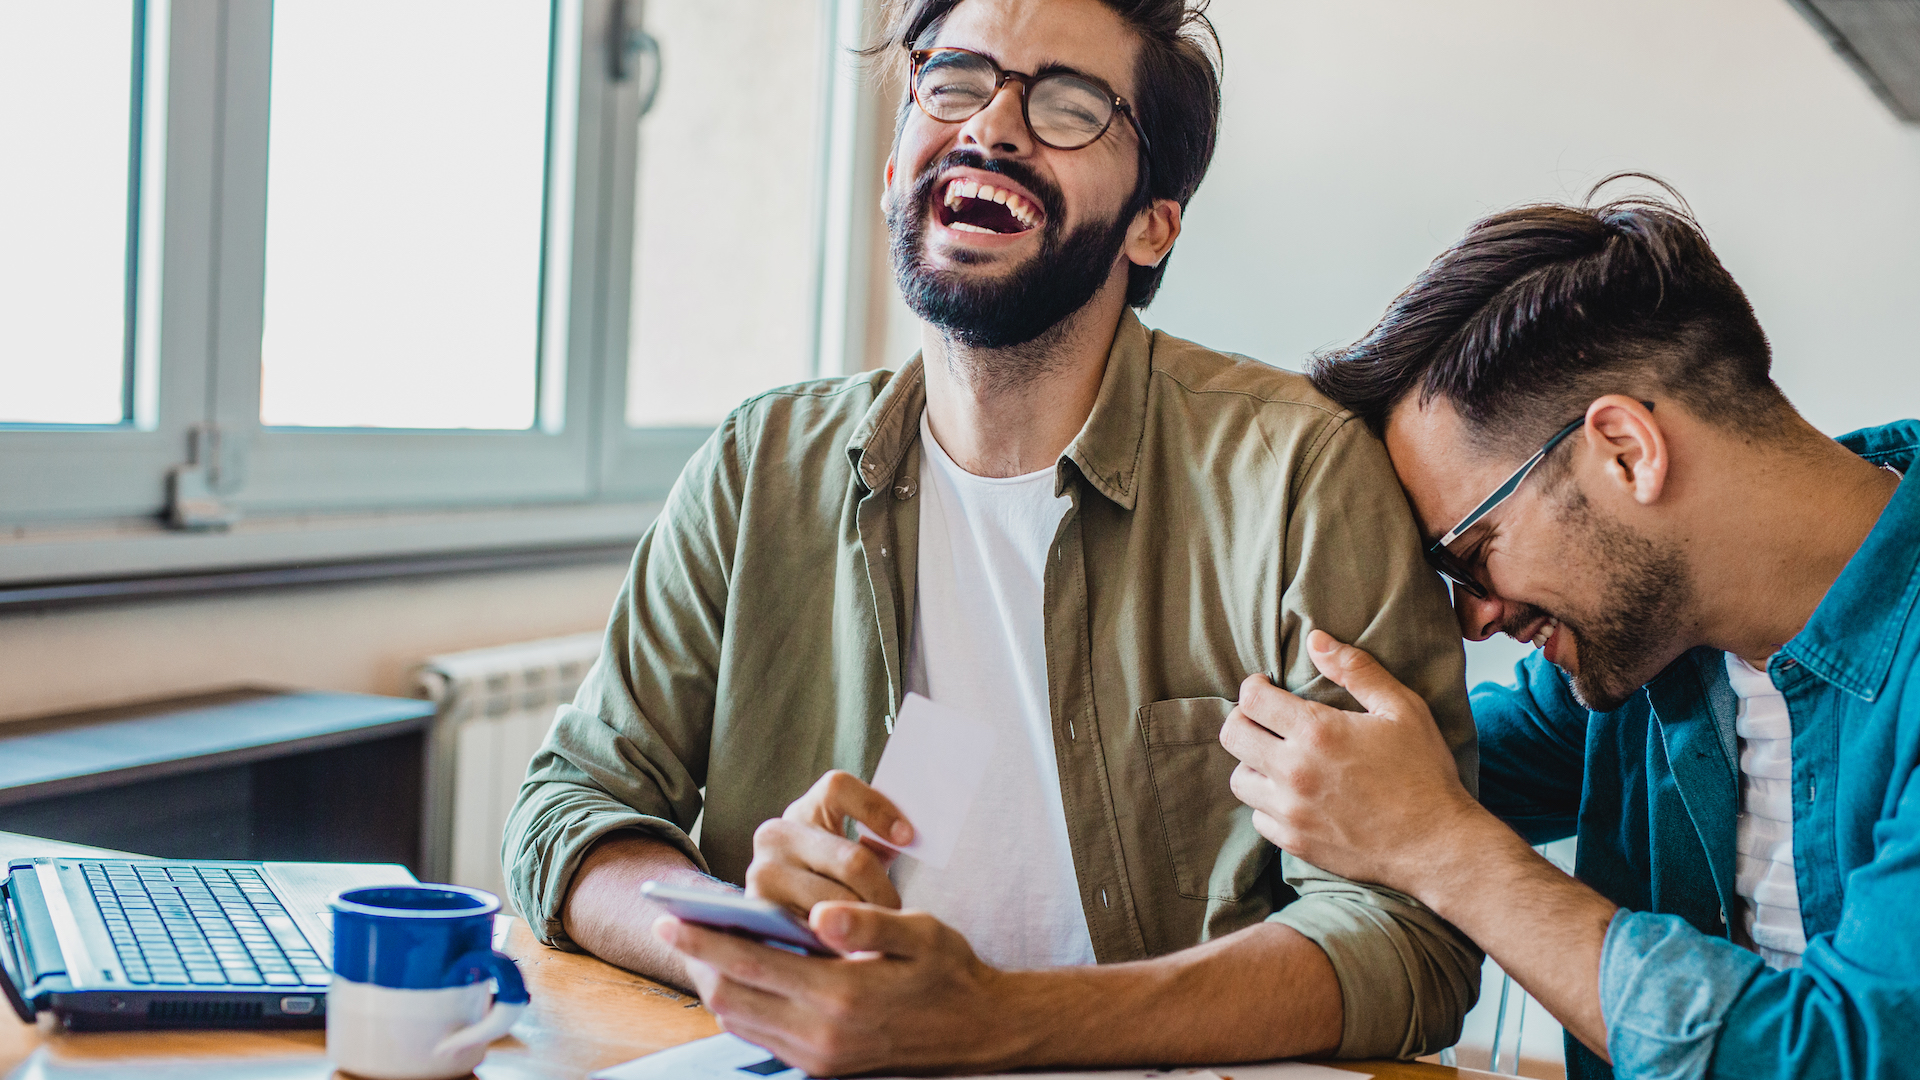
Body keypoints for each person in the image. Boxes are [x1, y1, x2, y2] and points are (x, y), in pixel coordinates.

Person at [504, 0, 1484, 1074]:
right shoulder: (757, 465)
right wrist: (736, 941)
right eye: (955, 80)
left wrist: (994, 1021)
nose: (992, 126)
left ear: (1154, 221)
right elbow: (569, 808)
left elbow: (1410, 939)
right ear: (893, 167)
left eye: (1068, 104)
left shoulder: (1301, 477)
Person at [1218, 184, 1919, 1079]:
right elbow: (1383, 771)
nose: (1475, 620)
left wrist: (1444, 851)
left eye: (1474, 555)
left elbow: (1849, 1059)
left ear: (1626, 451)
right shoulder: (1642, 660)